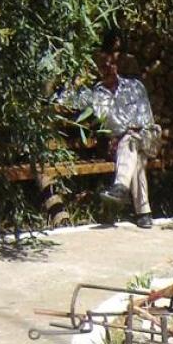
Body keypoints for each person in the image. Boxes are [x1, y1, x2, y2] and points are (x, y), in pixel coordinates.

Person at [57, 31, 158, 228]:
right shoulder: (96, 95)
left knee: (131, 140)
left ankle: (121, 187)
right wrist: (78, 79)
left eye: (110, 64)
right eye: (102, 66)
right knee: (133, 153)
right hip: (126, 147)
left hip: (149, 137)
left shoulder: (134, 87)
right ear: (97, 70)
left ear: (116, 65)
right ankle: (143, 213)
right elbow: (63, 100)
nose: (107, 69)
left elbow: (146, 118)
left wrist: (130, 131)